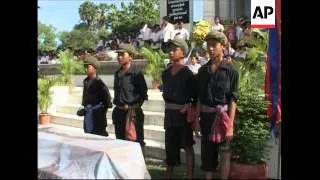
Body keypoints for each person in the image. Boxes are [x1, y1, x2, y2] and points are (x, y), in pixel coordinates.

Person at [197, 31, 239, 179]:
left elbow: (233, 99)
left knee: (225, 153)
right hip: (206, 117)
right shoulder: (202, 71)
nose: (210, 48)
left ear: (223, 47)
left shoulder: (231, 71)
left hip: (224, 118)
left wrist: (231, 125)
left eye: (214, 45)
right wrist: (196, 120)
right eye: (208, 45)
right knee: (207, 154)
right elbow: (199, 99)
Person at [162, 37, 197, 179]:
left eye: (174, 49)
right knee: (170, 146)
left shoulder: (188, 74)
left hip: (183, 116)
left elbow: (195, 97)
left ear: (183, 53)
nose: (171, 52)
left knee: (187, 145)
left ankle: (190, 176)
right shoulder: (165, 73)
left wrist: (190, 109)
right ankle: (168, 174)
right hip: (170, 114)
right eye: (170, 49)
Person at [112, 44, 148, 148]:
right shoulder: (117, 74)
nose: (119, 57)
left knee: (136, 141)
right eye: (118, 54)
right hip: (119, 112)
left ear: (131, 56)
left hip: (133, 114)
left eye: (123, 54)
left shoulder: (136, 73)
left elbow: (143, 93)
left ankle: (139, 163)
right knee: (120, 141)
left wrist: (134, 107)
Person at [79, 56, 113, 136]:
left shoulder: (99, 83)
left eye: (88, 66)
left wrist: (98, 111)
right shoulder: (86, 81)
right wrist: (84, 109)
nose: (85, 69)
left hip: (98, 119)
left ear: (95, 68)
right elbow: (85, 100)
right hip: (88, 116)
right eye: (84, 67)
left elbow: (107, 101)